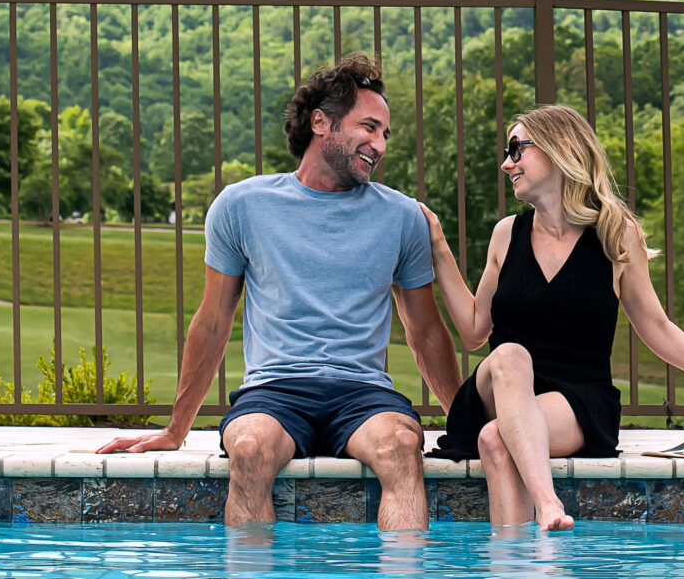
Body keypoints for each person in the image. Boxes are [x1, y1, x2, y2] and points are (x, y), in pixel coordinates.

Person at [99, 53, 461, 531]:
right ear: (320, 122)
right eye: (369, 127)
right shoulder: (241, 206)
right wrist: (176, 429)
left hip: (363, 395)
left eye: (385, 134)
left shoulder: (402, 217)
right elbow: (212, 323)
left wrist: (464, 426)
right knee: (248, 449)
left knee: (401, 448)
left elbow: (427, 332)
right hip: (275, 392)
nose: (379, 145)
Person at [425, 103, 684, 531]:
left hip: (577, 400)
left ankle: (519, 568)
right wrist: (439, 247)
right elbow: (475, 332)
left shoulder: (616, 235)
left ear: (557, 149)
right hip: (501, 384)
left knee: (496, 439)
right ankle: (548, 502)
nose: (505, 163)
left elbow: (656, 325)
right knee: (511, 355)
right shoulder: (506, 235)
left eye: (516, 149)